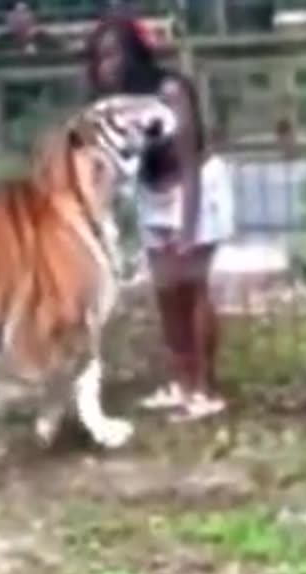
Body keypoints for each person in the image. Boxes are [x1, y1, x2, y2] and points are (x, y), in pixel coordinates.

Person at [84, 15, 234, 422]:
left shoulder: (170, 90)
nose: (106, 66)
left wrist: (187, 228)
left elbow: (187, 161)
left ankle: (205, 389)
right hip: (153, 192)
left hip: (195, 187)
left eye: (113, 55)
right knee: (167, 293)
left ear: (134, 54)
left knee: (192, 287)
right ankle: (181, 381)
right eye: (99, 58)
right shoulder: (114, 104)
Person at [0, 1, 65, 57]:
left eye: (22, 13)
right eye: (12, 14)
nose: (17, 18)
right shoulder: (0, 43)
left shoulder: (47, 40)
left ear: (32, 16)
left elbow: (61, 59)